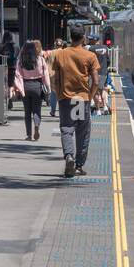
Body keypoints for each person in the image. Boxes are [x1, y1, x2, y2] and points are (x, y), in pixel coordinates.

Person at [51, 28, 101, 177]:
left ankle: (69, 157)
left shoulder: (60, 54)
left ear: (70, 37)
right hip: (82, 99)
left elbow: (54, 78)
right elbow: (96, 81)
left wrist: (59, 94)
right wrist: (90, 97)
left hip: (66, 99)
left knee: (67, 129)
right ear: (83, 38)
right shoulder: (90, 56)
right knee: (82, 132)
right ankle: (79, 165)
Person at [14, 40, 48, 141]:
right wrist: (48, 88)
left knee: (27, 112)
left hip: (25, 86)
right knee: (37, 110)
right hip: (37, 86)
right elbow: (45, 75)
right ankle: (36, 126)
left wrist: (20, 89)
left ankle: (29, 135)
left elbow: (18, 75)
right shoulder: (40, 59)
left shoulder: (21, 61)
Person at [45, 38, 66, 117]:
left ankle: (53, 111)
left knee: (53, 94)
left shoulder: (51, 53)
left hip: (52, 74)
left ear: (55, 44)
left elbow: (47, 64)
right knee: (61, 94)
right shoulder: (64, 52)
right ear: (62, 45)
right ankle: (62, 111)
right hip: (61, 74)